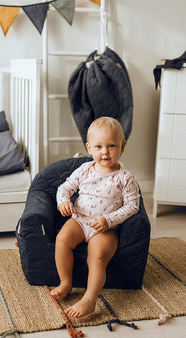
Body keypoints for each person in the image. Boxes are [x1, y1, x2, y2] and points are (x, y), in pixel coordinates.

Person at [51, 117, 140, 319]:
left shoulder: (125, 177)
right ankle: (65, 282)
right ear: (89, 148)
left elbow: (133, 206)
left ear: (122, 146)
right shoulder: (84, 170)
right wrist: (63, 201)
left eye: (111, 146)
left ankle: (90, 299)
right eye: (99, 146)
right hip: (80, 220)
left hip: (105, 228)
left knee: (97, 257)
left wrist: (108, 220)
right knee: (62, 240)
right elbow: (64, 188)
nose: (105, 152)